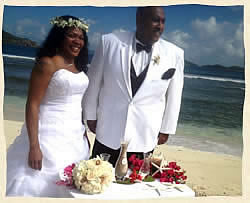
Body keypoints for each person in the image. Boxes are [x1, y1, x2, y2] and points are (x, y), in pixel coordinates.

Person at [82, 6, 184, 167]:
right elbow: (93, 82)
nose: (160, 26)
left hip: (145, 133)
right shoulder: (109, 42)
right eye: (156, 20)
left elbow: (174, 96)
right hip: (108, 128)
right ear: (139, 19)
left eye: (163, 22)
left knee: (136, 184)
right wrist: (90, 115)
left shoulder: (175, 54)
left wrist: (167, 128)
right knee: (99, 179)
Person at [6, 15, 90, 197]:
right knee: (35, 182)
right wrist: (34, 146)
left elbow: (78, 103)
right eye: (72, 35)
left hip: (75, 135)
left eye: (81, 37)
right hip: (47, 135)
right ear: (59, 36)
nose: (78, 41)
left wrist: (84, 131)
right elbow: (33, 104)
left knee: (71, 185)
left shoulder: (78, 66)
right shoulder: (47, 63)